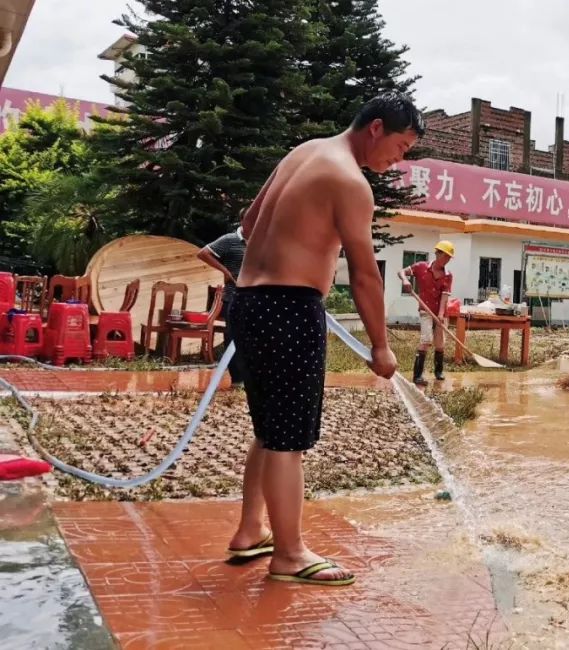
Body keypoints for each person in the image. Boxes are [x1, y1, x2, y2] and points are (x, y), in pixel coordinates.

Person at [226, 92, 423, 586]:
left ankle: (251, 530)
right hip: (288, 309)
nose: (398, 160)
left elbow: (248, 224)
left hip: (247, 303)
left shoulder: (305, 152)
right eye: (400, 147)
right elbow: (363, 273)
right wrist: (381, 345)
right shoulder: (349, 180)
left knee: (270, 429)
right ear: (376, 128)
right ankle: (289, 555)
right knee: (288, 439)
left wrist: (295, 243)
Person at [397, 241, 454, 386]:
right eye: (445, 256)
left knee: (440, 344)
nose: (447, 260)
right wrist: (405, 280)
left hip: (441, 312)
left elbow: (444, 297)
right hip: (425, 311)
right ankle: (417, 375)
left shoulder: (447, 275)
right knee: (426, 340)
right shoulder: (421, 267)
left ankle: (438, 372)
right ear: (438, 254)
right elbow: (401, 272)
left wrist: (441, 315)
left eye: (449, 258)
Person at [197, 226, 247, 388]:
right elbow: (203, 253)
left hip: (254, 297)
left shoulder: (260, 241)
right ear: (244, 221)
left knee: (253, 338)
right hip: (233, 296)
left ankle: (250, 378)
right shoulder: (229, 240)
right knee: (232, 336)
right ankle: (237, 379)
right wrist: (225, 271)